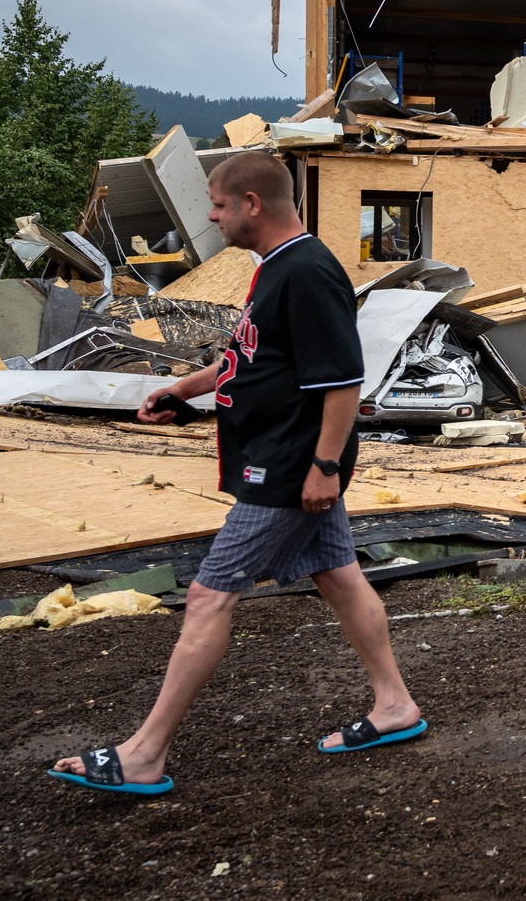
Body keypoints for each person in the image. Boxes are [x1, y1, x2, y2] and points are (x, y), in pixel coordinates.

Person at [49, 152, 422, 794]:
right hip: (289, 463)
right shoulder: (275, 269)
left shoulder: (306, 273)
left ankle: (144, 754)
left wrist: (325, 467)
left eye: (219, 205)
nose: (213, 217)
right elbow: (250, 360)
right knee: (337, 576)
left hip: (288, 469)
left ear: (252, 203)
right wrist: (183, 389)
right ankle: (395, 705)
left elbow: (343, 383)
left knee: (208, 595)